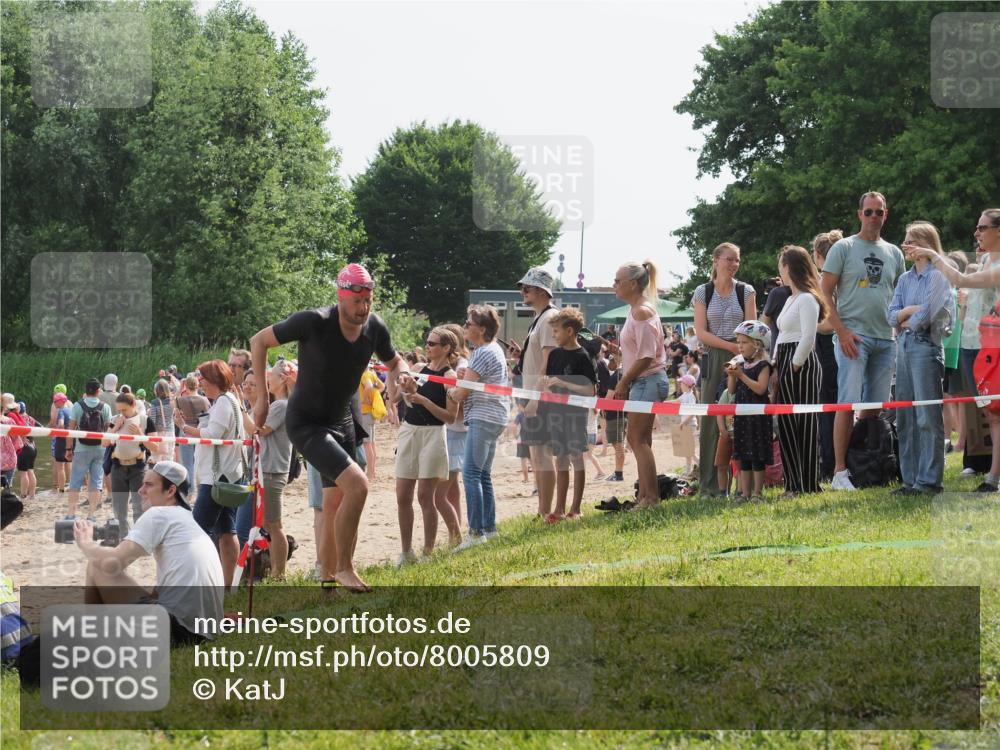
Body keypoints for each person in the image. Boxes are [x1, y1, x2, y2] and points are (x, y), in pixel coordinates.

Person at [250, 263, 406, 592]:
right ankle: (345, 568)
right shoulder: (314, 322)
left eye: (368, 301)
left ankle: (327, 583)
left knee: (333, 505)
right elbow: (258, 341)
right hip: (306, 423)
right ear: (341, 297)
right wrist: (263, 399)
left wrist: (399, 378)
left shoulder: (375, 328)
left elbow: (394, 363)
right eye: (356, 302)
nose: (363, 309)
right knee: (358, 486)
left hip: (343, 421)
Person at [73, 460, 223, 644]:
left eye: (149, 485)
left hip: (180, 630)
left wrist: (85, 543)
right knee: (114, 564)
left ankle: (93, 635)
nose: (140, 490)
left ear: (170, 491)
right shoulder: (185, 520)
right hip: (202, 630)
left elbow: (112, 563)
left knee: (98, 565)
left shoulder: (160, 514)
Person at [909, 208, 1000, 492]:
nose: (977, 233)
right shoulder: (984, 259)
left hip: (993, 348)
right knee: (988, 413)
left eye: (982, 228)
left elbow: (961, 280)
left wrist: (935, 256)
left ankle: (992, 478)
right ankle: (989, 472)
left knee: (996, 414)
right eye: (977, 227)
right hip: (972, 345)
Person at [820, 192, 906, 491]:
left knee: (874, 406)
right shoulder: (843, 248)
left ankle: (865, 461)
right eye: (868, 211)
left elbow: (900, 295)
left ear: (886, 214)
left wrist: (901, 328)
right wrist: (841, 331)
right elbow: (824, 292)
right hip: (853, 337)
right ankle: (839, 472)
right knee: (846, 402)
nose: (873, 217)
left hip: (885, 338)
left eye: (878, 212)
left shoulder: (895, 252)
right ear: (859, 214)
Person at [886, 222, 954, 495]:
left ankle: (929, 481)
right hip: (902, 347)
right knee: (905, 416)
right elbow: (890, 315)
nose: (907, 245)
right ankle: (910, 480)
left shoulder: (939, 276)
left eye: (912, 240)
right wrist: (907, 313)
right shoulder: (904, 278)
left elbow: (926, 318)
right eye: (906, 240)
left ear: (927, 243)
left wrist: (906, 315)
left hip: (926, 348)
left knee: (927, 416)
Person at [175, 360, 247, 591]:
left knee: (197, 531)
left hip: (217, 478)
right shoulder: (227, 401)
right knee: (227, 531)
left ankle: (196, 585)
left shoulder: (224, 402)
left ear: (213, 379)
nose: (199, 381)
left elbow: (211, 434)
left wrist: (184, 427)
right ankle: (229, 586)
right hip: (229, 475)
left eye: (202, 377)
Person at [693, 243, 758, 496]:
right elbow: (700, 332)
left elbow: (751, 329)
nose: (733, 264)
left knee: (743, 417)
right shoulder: (702, 292)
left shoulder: (746, 291)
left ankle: (746, 485)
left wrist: (739, 350)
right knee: (711, 421)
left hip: (743, 355)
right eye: (729, 259)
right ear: (716, 261)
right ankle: (710, 485)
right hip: (714, 356)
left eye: (737, 260)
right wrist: (729, 347)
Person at [394, 327, 461, 563]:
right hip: (410, 431)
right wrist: (406, 390)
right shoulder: (418, 369)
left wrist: (422, 399)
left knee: (425, 496)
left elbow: (450, 417)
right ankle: (406, 552)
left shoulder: (449, 376)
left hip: (433, 433)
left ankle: (428, 552)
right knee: (402, 494)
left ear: (446, 348)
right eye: (428, 342)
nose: (428, 346)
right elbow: (398, 399)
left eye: (433, 343)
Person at [447, 304, 510, 547]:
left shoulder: (482, 352)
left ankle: (475, 533)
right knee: (483, 474)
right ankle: (489, 528)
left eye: (468, 324)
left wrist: (451, 391)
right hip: (494, 416)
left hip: (484, 416)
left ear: (482, 329)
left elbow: (463, 393)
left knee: (471, 473)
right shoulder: (492, 350)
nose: (465, 327)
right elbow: (473, 382)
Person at [611, 261, 669, 509]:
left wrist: (623, 382)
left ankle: (650, 498)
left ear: (633, 284)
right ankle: (645, 496)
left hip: (647, 381)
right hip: (647, 381)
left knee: (636, 439)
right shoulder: (640, 310)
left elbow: (647, 356)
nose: (614, 285)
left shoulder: (641, 312)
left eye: (617, 280)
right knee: (640, 440)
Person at [504, 268, 558, 518]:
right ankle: (543, 510)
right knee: (537, 454)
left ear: (542, 290)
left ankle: (545, 512)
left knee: (542, 454)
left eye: (527, 287)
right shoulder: (540, 318)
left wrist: (535, 398)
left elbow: (549, 361)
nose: (522, 291)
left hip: (541, 397)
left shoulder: (548, 318)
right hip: (534, 394)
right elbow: (540, 359)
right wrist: (522, 357)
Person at [774, 245, 828, 496]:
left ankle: (807, 484)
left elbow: (808, 337)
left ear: (789, 267)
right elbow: (782, 334)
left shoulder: (807, 298)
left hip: (801, 362)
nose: (780, 272)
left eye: (781, 266)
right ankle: (792, 483)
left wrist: (794, 366)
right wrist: (776, 365)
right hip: (785, 359)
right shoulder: (788, 298)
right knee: (786, 424)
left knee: (804, 424)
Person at [537, 308, 597, 523]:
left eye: (556, 332)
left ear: (570, 331)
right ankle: (559, 508)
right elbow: (548, 382)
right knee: (560, 459)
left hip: (575, 414)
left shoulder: (583, 357)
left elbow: (591, 390)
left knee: (576, 458)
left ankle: (576, 508)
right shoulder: (554, 354)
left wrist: (563, 383)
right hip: (555, 413)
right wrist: (547, 389)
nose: (554, 336)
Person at [256, 359, 296, 579]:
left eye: (270, 377)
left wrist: (241, 412)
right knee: (270, 524)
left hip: (273, 468)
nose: (267, 381)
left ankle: (279, 573)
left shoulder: (281, 405)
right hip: (272, 467)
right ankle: (275, 570)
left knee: (274, 524)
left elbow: (260, 430)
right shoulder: (282, 404)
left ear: (282, 379)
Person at [726, 321, 773, 503]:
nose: (740, 346)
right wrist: (732, 376)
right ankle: (744, 493)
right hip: (743, 416)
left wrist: (741, 376)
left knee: (757, 454)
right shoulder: (741, 364)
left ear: (757, 344)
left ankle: (757, 493)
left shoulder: (764, 365)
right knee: (744, 454)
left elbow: (761, 389)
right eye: (738, 342)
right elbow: (731, 391)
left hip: (758, 418)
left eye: (744, 342)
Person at [811, 230, 844, 481]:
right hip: (832, 349)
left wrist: (807, 324)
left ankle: (829, 464)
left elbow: (828, 324)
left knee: (829, 408)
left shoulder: (826, 280)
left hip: (827, 350)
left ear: (819, 256)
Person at [104, 392, 152, 534]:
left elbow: (156, 447)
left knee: (139, 507)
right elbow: (104, 442)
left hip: (138, 468)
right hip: (118, 467)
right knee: (119, 509)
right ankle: (124, 538)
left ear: (133, 405)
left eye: (124, 410)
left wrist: (140, 434)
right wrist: (115, 428)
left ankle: (140, 538)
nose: (122, 413)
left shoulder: (145, 420)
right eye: (119, 410)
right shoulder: (115, 419)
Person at [65, 378, 112, 520]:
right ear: (98, 391)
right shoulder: (105, 407)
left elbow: (71, 429)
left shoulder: (78, 406)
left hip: (81, 448)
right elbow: (108, 429)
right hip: (100, 449)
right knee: (96, 482)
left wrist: (68, 449)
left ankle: (71, 514)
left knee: (75, 481)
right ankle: (91, 515)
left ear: (86, 390)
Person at [439, 322, 469, 530]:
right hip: (454, 430)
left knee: (438, 493)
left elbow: (459, 403)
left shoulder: (460, 367)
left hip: (456, 430)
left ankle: (455, 532)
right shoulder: (457, 366)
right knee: (452, 489)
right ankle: (456, 528)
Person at [174, 374, 210, 483]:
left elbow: (173, 407)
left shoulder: (179, 400)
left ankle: (190, 489)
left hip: (185, 431)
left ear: (186, 385)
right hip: (200, 432)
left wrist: (180, 389)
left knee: (187, 464)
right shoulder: (205, 400)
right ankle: (200, 486)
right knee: (200, 462)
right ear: (198, 385)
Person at [357, 364, 385, 481]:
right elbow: (382, 386)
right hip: (370, 413)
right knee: (371, 443)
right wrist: (373, 394)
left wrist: (366, 398)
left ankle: (370, 473)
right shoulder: (372, 374)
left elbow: (368, 386)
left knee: (367, 444)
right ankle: (372, 471)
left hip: (365, 412)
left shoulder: (364, 375)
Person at [602, 356, 627, 482]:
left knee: (618, 445)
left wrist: (601, 407)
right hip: (624, 413)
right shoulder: (626, 374)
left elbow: (609, 398)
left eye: (611, 360)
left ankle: (618, 473)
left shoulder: (616, 376)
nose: (609, 363)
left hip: (614, 415)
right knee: (619, 444)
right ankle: (618, 472)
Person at [671, 374, 698, 476]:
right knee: (688, 451)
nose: (680, 385)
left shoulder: (690, 396)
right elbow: (676, 401)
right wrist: (662, 403)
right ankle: (689, 470)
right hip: (686, 425)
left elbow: (692, 412)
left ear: (686, 385)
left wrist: (683, 422)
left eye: (681, 383)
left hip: (689, 425)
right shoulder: (685, 395)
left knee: (689, 451)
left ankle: (700, 467)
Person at [715, 381, 736, 496]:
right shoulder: (725, 393)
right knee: (721, 465)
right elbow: (719, 413)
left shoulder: (744, 392)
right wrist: (722, 430)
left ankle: (740, 492)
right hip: (725, 434)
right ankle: (723, 493)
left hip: (741, 435)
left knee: (740, 467)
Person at [49, 392, 73, 493]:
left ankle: (62, 489)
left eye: (55, 401)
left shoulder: (61, 411)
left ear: (60, 402)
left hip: (61, 440)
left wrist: (58, 430)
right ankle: (71, 485)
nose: (54, 403)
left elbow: (61, 424)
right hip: (70, 440)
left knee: (60, 466)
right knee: (69, 463)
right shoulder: (71, 410)